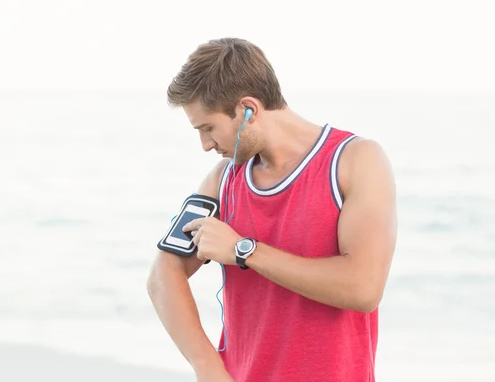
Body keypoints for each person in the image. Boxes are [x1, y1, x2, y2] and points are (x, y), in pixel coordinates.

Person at [146, 37, 397, 382]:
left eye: (208, 128)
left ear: (248, 108)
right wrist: (207, 367)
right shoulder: (222, 180)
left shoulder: (355, 160)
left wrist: (243, 250)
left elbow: (363, 288)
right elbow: (162, 276)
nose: (205, 145)